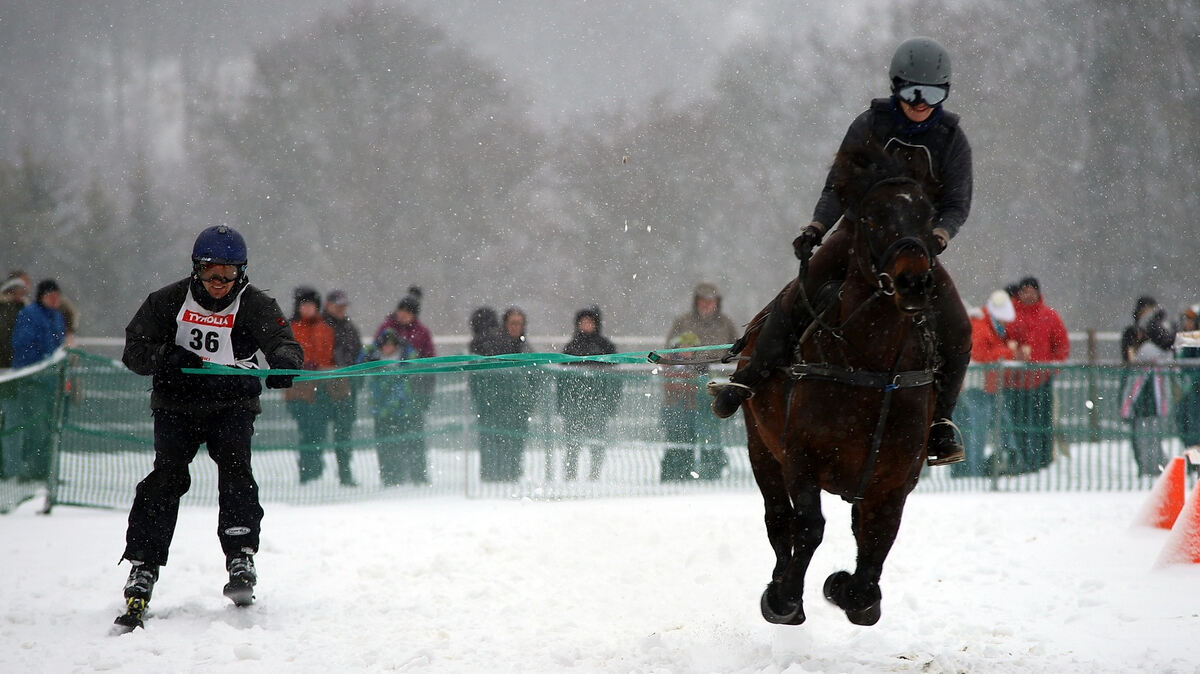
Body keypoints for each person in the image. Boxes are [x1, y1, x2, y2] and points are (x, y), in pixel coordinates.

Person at [708, 36, 973, 467]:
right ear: (896, 87)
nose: (921, 104)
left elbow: (957, 203)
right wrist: (817, 227)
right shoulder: (870, 125)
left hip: (915, 247)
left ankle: (940, 422)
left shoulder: (952, 140)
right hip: (858, 234)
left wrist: (939, 236)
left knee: (958, 328)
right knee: (801, 291)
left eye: (933, 94)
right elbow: (838, 185)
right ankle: (750, 377)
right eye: (912, 93)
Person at [116, 225, 302, 627]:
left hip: (232, 404)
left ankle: (240, 556)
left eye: (229, 275)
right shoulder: (166, 301)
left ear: (242, 273)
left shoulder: (255, 304)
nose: (220, 284)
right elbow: (134, 349)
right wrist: (164, 357)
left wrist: (286, 363)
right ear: (196, 270)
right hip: (176, 404)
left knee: (236, 471)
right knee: (166, 477)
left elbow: (283, 342)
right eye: (211, 274)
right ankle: (143, 564)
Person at [285, 287, 355, 485]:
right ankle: (308, 473)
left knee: (318, 432)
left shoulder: (325, 328)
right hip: (300, 389)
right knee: (308, 432)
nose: (308, 309)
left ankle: (314, 472)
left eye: (311, 305)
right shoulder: (292, 328)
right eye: (304, 305)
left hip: (322, 388)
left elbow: (330, 354)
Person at [1001, 276, 1069, 473]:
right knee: (1017, 424)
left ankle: (1043, 461)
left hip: (1041, 381)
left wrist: (1051, 369)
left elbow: (1061, 344)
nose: (1028, 294)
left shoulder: (1049, 316)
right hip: (1014, 382)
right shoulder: (1009, 316)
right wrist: (1011, 354)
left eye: (1032, 290)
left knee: (1042, 423)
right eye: (1024, 290)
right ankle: (1023, 461)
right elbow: (1001, 340)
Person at [373, 285, 436, 480]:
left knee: (414, 437)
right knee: (388, 438)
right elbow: (374, 354)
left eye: (409, 312)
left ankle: (418, 476)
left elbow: (430, 363)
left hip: (413, 395)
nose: (404, 315)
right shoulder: (386, 329)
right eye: (402, 310)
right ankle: (391, 476)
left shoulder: (422, 332)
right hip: (386, 397)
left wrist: (426, 393)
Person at [553, 306, 622, 481]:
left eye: (589, 322)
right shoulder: (571, 348)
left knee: (597, 442)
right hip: (574, 404)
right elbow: (562, 380)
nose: (586, 325)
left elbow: (615, 379)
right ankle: (570, 475)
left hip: (599, 403)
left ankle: (594, 475)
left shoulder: (606, 347)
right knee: (572, 443)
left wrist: (612, 403)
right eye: (583, 322)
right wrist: (561, 403)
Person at [9, 279, 67, 482]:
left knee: (52, 427)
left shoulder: (57, 317)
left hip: (51, 381)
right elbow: (21, 344)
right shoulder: (30, 315)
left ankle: (45, 471)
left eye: (57, 297)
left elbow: (58, 345)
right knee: (35, 427)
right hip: (34, 381)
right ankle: (32, 470)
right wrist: (43, 362)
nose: (55, 300)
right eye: (51, 296)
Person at [953, 290, 1016, 478]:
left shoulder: (986, 325)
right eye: (1003, 321)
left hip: (983, 385)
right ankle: (974, 471)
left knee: (975, 428)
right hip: (976, 386)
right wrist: (1008, 353)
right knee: (976, 431)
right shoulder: (981, 326)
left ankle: (969, 469)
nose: (1005, 325)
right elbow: (979, 353)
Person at [1119, 296, 1175, 476]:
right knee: (1144, 436)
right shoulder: (1134, 334)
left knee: (1149, 437)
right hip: (1143, 397)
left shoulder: (1156, 341)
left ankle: (1155, 471)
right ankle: (1152, 469)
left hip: (1149, 398)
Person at [361, 328, 426, 485]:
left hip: (402, 410)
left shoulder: (404, 358)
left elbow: (415, 360)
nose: (388, 348)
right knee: (385, 446)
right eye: (385, 345)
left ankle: (414, 477)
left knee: (406, 444)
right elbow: (359, 361)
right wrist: (370, 348)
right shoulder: (374, 358)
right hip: (381, 411)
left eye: (392, 345)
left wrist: (407, 346)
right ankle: (389, 478)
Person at [323, 289, 363, 483]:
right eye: (338, 306)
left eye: (343, 306)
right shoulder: (319, 326)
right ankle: (312, 476)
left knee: (344, 431)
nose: (341, 310)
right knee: (316, 432)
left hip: (346, 387)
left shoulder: (349, 328)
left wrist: (356, 380)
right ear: (328, 305)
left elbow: (358, 354)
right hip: (322, 387)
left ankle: (345, 472)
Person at [666, 282, 740, 348]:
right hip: (688, 363)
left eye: (710, 300)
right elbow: (668, 349)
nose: (707, 304)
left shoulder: (726, 323)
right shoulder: (682, 321)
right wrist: (679, 351)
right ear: (696, 301)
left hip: (720, 363)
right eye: (703, 300)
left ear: (717, 302)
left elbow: (737, 350)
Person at [0, 276, 28, 367]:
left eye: (21, 292)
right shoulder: (4, 307)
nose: (18, 295)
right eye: (15, 292)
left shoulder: (25, 308)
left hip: (16, 357)